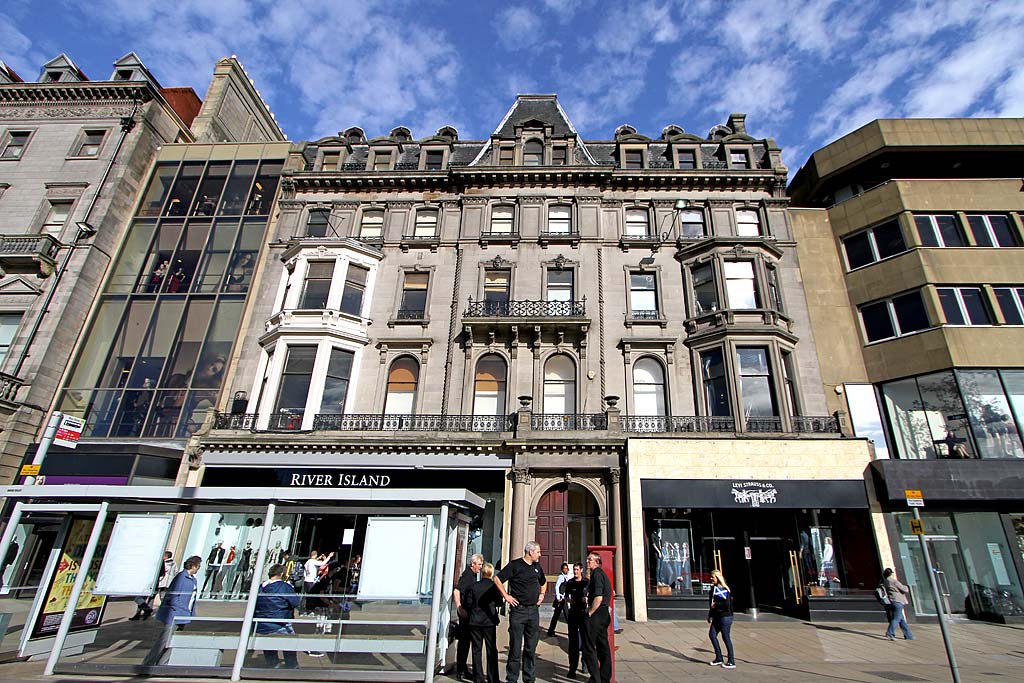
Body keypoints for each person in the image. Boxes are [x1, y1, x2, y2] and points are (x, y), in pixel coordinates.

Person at [493, 541, 547, 683]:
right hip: (519, 611)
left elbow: (544, 582)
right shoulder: (515, 565)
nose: (540, 555)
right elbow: (497, 579)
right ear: (530, 552)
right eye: (538, 552)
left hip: (533, 612)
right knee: (515, 648)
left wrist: (542, 595)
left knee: (531, 648)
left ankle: (529, 678)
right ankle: (512, 679)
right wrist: (506, 596)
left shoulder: (537, 567)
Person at [143, 555, 202, 666]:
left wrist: (192, 613)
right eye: (198, 566)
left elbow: (192, 598)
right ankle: (148, 664)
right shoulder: (181, 577)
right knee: (163, 641)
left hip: (184, 615)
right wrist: (180, 609)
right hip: (175, 614)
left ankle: (163, 664)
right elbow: (173, 596)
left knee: (174, 641)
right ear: (193, 566)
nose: (199, 568)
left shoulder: (193, 580)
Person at [254, 563, 301, 669]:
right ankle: (292, 665)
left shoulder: (260, 587)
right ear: (281, 574)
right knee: (290, 643)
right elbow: (295, 602)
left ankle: (273, 664)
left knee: (268, 644)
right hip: (280, 622)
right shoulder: (284, 587)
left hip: (261, 624)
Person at [464, 562, 502, 683]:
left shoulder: (474, 586)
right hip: (489, 622)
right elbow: (499, 602)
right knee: (491, 649)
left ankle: (478, 678)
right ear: (491, 573)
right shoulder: (493, 587)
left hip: (475, 621)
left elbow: (468, 604)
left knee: (476, 649)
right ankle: (492, 678)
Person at [581, 552, 612, 683]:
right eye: (587, 559)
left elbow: (598, 597)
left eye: (590, 560)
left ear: (597, 562)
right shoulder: (601, 574)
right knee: (602, 645)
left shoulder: (597, 574)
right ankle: (605, 678)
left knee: (588, 647)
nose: (588, 562)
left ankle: (595, 679)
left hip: (597, 614)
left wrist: (590, 612)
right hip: (604, 614)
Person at [453, 553, 484, 680]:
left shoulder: (472, 575)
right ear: (473, 564)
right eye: (479, 564)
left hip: (468, 613)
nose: (480, 567)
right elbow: (457, 590)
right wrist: (459, 607)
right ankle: (460, 670)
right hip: (465, 613)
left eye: (481, 565)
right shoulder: (467, 576)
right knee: (464, 642)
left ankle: (463, 669)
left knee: (466, 642)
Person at [564, 563, 589, 680]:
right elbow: (566, 596)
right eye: (574, 570)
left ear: (581, 570)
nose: (575, 572)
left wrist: (587, 599)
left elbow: (592, 595)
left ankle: (585, 664)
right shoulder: (570, 583)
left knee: (585, 640)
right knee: (573, 642)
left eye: (577, 569)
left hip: (584, 613)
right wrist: (569, 600)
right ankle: (572, 668)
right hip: (574, 613)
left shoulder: (586, 582)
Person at [707, 568, 736, 668]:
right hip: (717, 616)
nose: (711, 579)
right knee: (712, 635)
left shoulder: (723, 589)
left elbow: (726, 605)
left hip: (725, 617)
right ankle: (719, 657)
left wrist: (716, 605)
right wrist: (710, 614)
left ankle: (731, 660)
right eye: (711, 577)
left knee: (726, 637)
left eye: (713, 577)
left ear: (718, 578)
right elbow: (711, 603)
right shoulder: (713, 589)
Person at [883, 567, 915, 641]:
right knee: (896, 618)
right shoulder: (894, 581)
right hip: (898, 601)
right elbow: (905, 589)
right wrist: (906, 586)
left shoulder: (885, 581)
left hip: (892, 600)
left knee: (901, 619)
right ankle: (890, 633)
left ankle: (908, 635)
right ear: (891, 574)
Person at [547, 562, 572, 637]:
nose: (566, 570)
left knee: (557, 615)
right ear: (562, 569)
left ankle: (550, 631)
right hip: (561, 599)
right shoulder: (561, 577)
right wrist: (558, 597)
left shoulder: (568, 577)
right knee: (565, 615)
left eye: (566, 568)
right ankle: (551, 631)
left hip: (564, 598)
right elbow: (557, 587)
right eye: (564, 568)